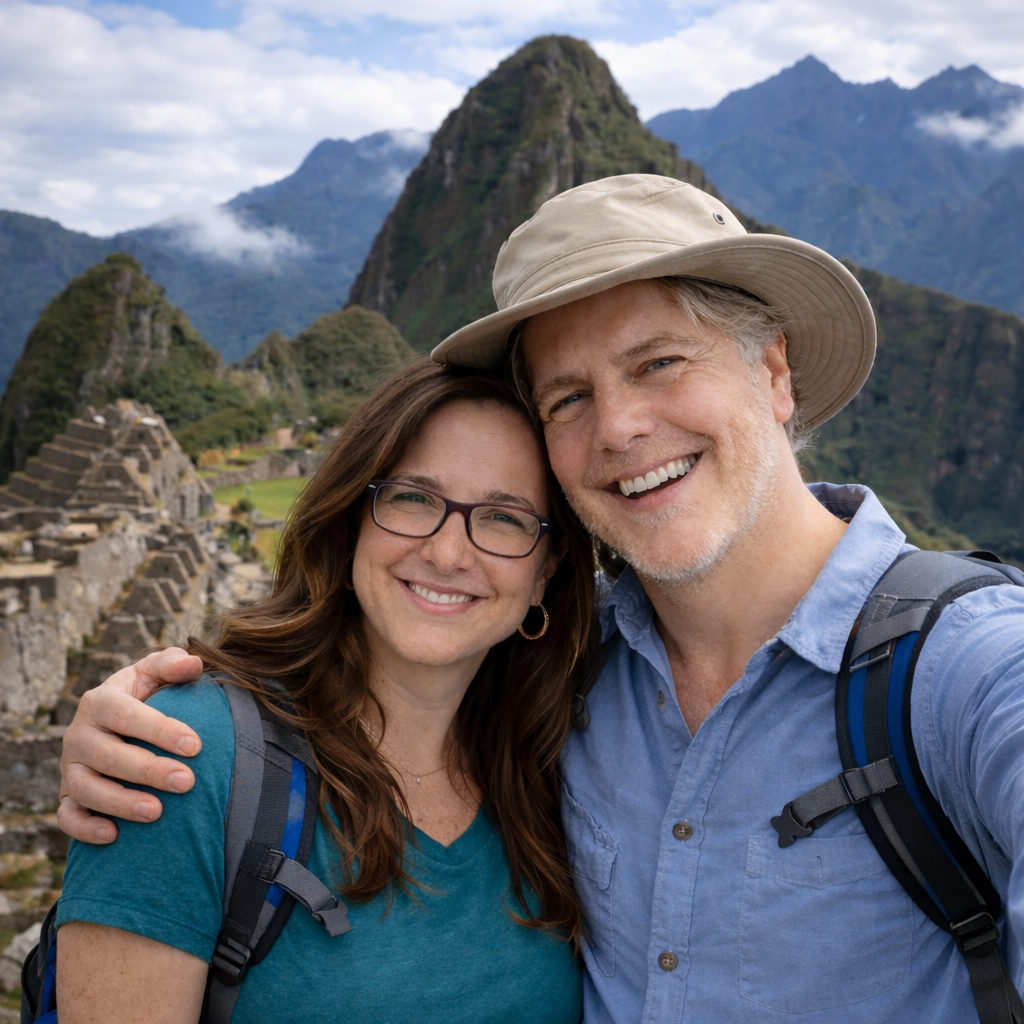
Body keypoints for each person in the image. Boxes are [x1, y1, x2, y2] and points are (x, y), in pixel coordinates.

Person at [58, 175, 1024, 1023]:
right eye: (567, 398)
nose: (620, 428)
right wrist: (133, 730)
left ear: (771, 371)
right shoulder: (564, 682)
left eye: (658, 363)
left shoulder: (968, 677)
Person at [55, 359, 597, 1023]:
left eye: (504, 518)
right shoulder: (188, 756)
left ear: (545, 574)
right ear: (351, 523)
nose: (449, 554)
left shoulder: (564, 765)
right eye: (412, 498)